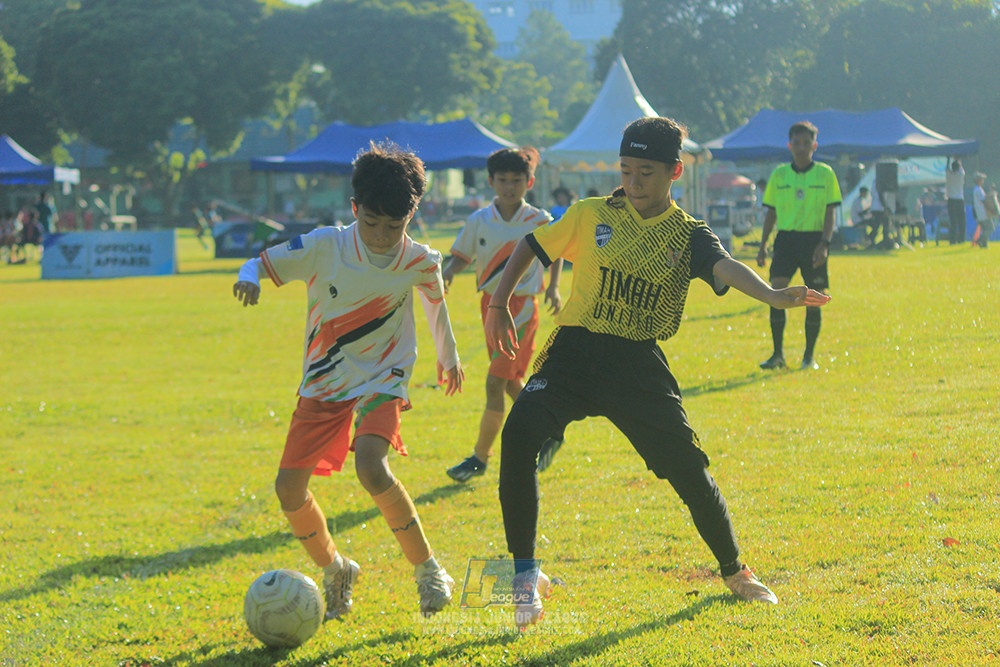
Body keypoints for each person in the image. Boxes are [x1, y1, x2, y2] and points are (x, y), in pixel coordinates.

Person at [483, 117, 832, 629]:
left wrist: (775, 294)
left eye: (646, 172)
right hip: (575, 353)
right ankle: (525, 574)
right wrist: (497, 302)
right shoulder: (590, 213)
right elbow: (532, 247)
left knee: (689, 471)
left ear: (675, 171)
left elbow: (725, 267)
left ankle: (735, 570)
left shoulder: (687, 233)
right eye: (626, 170)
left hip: (637, 366)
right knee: (517, 438)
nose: (634, 181)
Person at [231, 141, 465, 621]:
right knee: (288, 491)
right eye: (371, 223)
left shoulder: (421, 259)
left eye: (394, 227)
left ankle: (428, 571)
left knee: (371, 467)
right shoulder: (324, 245)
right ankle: (337, 569)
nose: (381, 236)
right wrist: (249, 277)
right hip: (324, 382)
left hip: (384, 374)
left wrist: (449, 359)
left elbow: (436, 307)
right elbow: (259, 261)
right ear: (354, 208)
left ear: (411, 216)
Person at [442, 147, 565, 483]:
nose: (509, 186)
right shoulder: (479, 220)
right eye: (503, 180)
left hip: (522, 307)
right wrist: (450, 271)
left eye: (517, 180)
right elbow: (462, 255)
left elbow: (555, 255)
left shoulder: (540, 220)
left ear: (530, 181)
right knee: (510, 381)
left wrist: (553, 287)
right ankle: (551, 429)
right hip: (490, 306)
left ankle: (479, 458)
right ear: (490, 181)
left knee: (495, 380)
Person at [756, 121, 841, 371]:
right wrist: (762, 245)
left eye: (807, 143)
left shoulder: (825, 173)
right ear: (789, 145)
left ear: (814, 145)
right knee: (776, 292)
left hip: (814, 240)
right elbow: (770, 213)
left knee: (813, 297)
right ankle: (777, 355)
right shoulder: (779, 174)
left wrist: (824, 243)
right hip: (785, 240)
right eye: (797, 143)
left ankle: (808, 357)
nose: (801, 148)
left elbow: (830, 212)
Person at [945, 159, 966, 245]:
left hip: (951, 200)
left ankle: (952, 240)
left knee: (953, 221)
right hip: (959, 199)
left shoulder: (949, 175)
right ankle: (961, 239)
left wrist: (948, 159)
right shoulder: (961, 175)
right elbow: (961, 169)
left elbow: (946, 168)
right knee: (962, 221)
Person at [971, 173, 993, 248]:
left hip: (979, 213)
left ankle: (984, 245)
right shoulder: (979, 190)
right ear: (978, 180)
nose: (983, 180)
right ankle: (979, 240)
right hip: (983, 213)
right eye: (981, 179)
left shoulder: (976, 189)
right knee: (990, 228)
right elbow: (984, 201)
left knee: (985, 229)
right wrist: (991, 209)